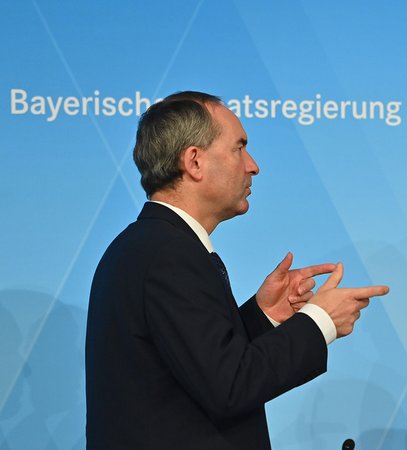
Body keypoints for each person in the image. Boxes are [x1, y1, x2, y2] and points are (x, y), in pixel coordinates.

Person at [85, 91, 389, 449]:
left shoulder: (150, 245)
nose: (253, 165)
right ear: (194, 162)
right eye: (239, 148)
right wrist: (320, 320)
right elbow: (229, 386)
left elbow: (195, 362)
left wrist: (263, 316)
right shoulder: (168, 254)